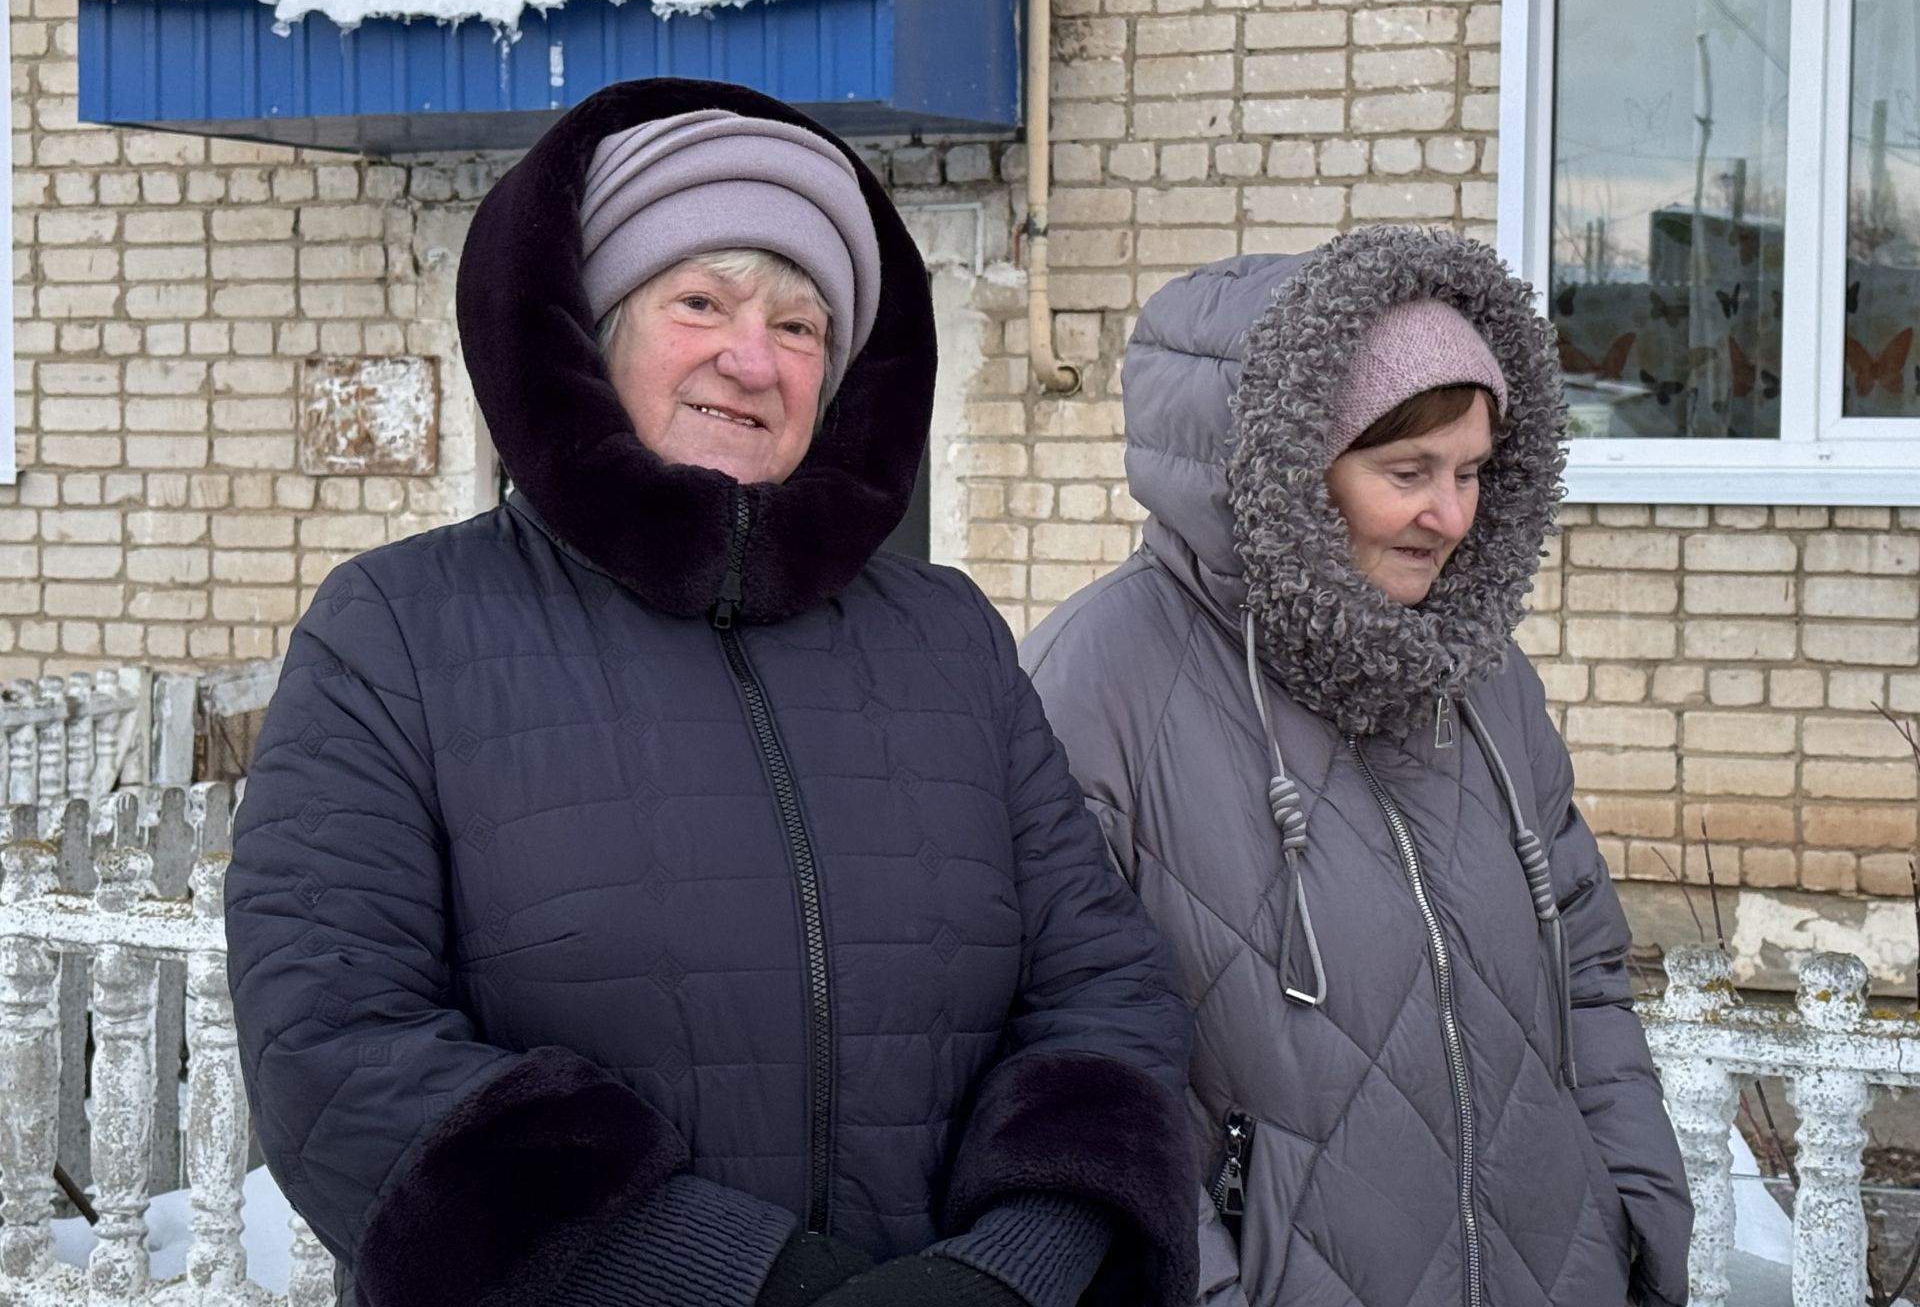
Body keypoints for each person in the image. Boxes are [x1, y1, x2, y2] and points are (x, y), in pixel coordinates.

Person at [225, 79, 1198, 1307]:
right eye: (702, 302)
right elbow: (334, 1041)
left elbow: (1105, 988)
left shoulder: (947, 638)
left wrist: (1019, 1264)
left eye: (801, 327)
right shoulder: (401, 631)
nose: (754, 359)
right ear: (594, 329)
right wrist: (737, 1279)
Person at [1022, 227, 1693, 1307]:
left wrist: (1635, 1211)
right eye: (1407, 471)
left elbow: (1587, 968)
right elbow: (1069, 1052)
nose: (1453, 516)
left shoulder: (1482, 674)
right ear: (1288, 471)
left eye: (1473, 472)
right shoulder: (1096, 680)